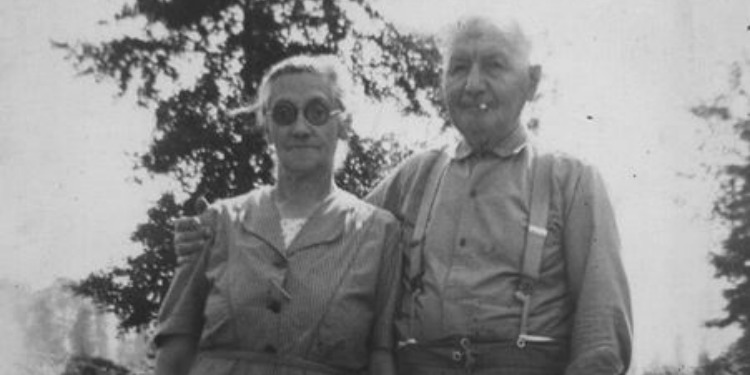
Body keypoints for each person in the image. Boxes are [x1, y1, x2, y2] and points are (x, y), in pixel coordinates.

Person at [175, 15, 633, 375]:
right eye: (458, 68)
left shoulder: (573, 181)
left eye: (494, 65)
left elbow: (602, 337)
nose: (473, 84)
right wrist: (218, 238)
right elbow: (323, 242)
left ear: (531, 82)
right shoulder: (416, 175)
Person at [155, 54, 401, 375]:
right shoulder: (220, 222)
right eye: (284, 114)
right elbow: (176, 339)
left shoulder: (380, 233)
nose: (300, 128)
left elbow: (382, 355)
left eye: (317, 112)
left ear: (342, 124)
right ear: (267, 127)